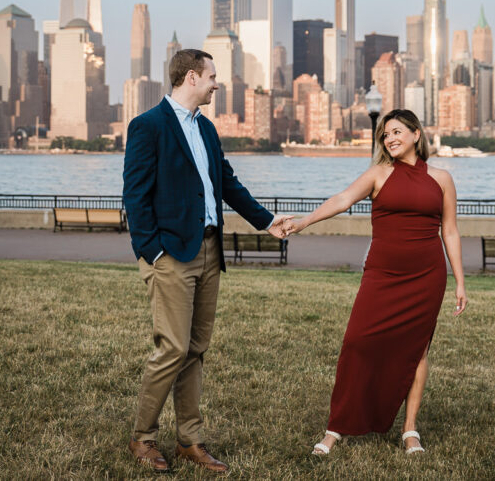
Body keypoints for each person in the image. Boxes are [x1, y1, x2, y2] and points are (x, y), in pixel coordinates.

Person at [123, 49, 290, 474]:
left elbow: (228, 184)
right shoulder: (147, 126)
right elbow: (136, 197)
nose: (218, 84)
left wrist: (266, 221)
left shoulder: (208, 130)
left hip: (209, 251)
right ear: (192, 77)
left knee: (195, 350)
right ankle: (142, 438)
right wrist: (152, 251)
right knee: (173, 347)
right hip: (171, 255)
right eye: (213, 76)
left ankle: (189, 441)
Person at [284, 108, 468, 456]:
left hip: (427, 276)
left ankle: (410, 430)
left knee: (417, 352)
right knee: (357, 342)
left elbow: (451, 230)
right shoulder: (378, 174)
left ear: (416, 134)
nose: (390, 139)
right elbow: (342, 200)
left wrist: (460, 280)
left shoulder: (442, 178)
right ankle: (336, 426)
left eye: (397, 131)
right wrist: (304, 221)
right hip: (382, 274)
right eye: (385, 134)